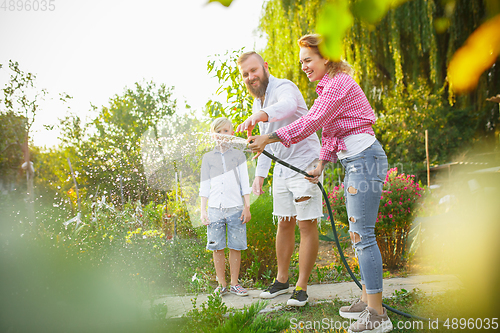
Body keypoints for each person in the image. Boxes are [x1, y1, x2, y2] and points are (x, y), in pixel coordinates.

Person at [246, 35, 392, 333]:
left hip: (364, 159)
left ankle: (378, 315)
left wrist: (269, 137)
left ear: (326, 58)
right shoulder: (328, 87)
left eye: (308, 60)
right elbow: (332, 133)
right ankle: (367, 301)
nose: (304, 67)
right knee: (356, 234)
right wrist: (322, 162)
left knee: (363, 235)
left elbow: (311, 122)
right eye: (301, 62)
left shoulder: (338, 84)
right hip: (355, 160)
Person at [236, 51, 322, 307]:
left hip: (306, 164)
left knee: (306, 225)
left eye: (254, 70)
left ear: (265, 67)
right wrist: (260, 176)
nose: (251, 77)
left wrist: (260, 116)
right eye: (245, 74)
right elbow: (265, 145)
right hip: (283, 170)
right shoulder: (256, 104)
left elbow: (287, 107)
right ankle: (282, 281)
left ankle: (301, 287)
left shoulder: (285, 87)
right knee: (284, 223)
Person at [199, 117, 252, 297]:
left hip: (236, 208)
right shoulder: (207, 158)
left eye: (226, 131)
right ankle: (222, 284)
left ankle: (235, 283)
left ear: (232, 134)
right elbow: (204, 186)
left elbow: (245, 183)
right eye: (218, 132)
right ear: (213, 135)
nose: (222, 135)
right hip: (214, 209)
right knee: (217, 247)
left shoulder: (238, 156)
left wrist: (247, 207)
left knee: (235, 246)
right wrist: (203, 210)